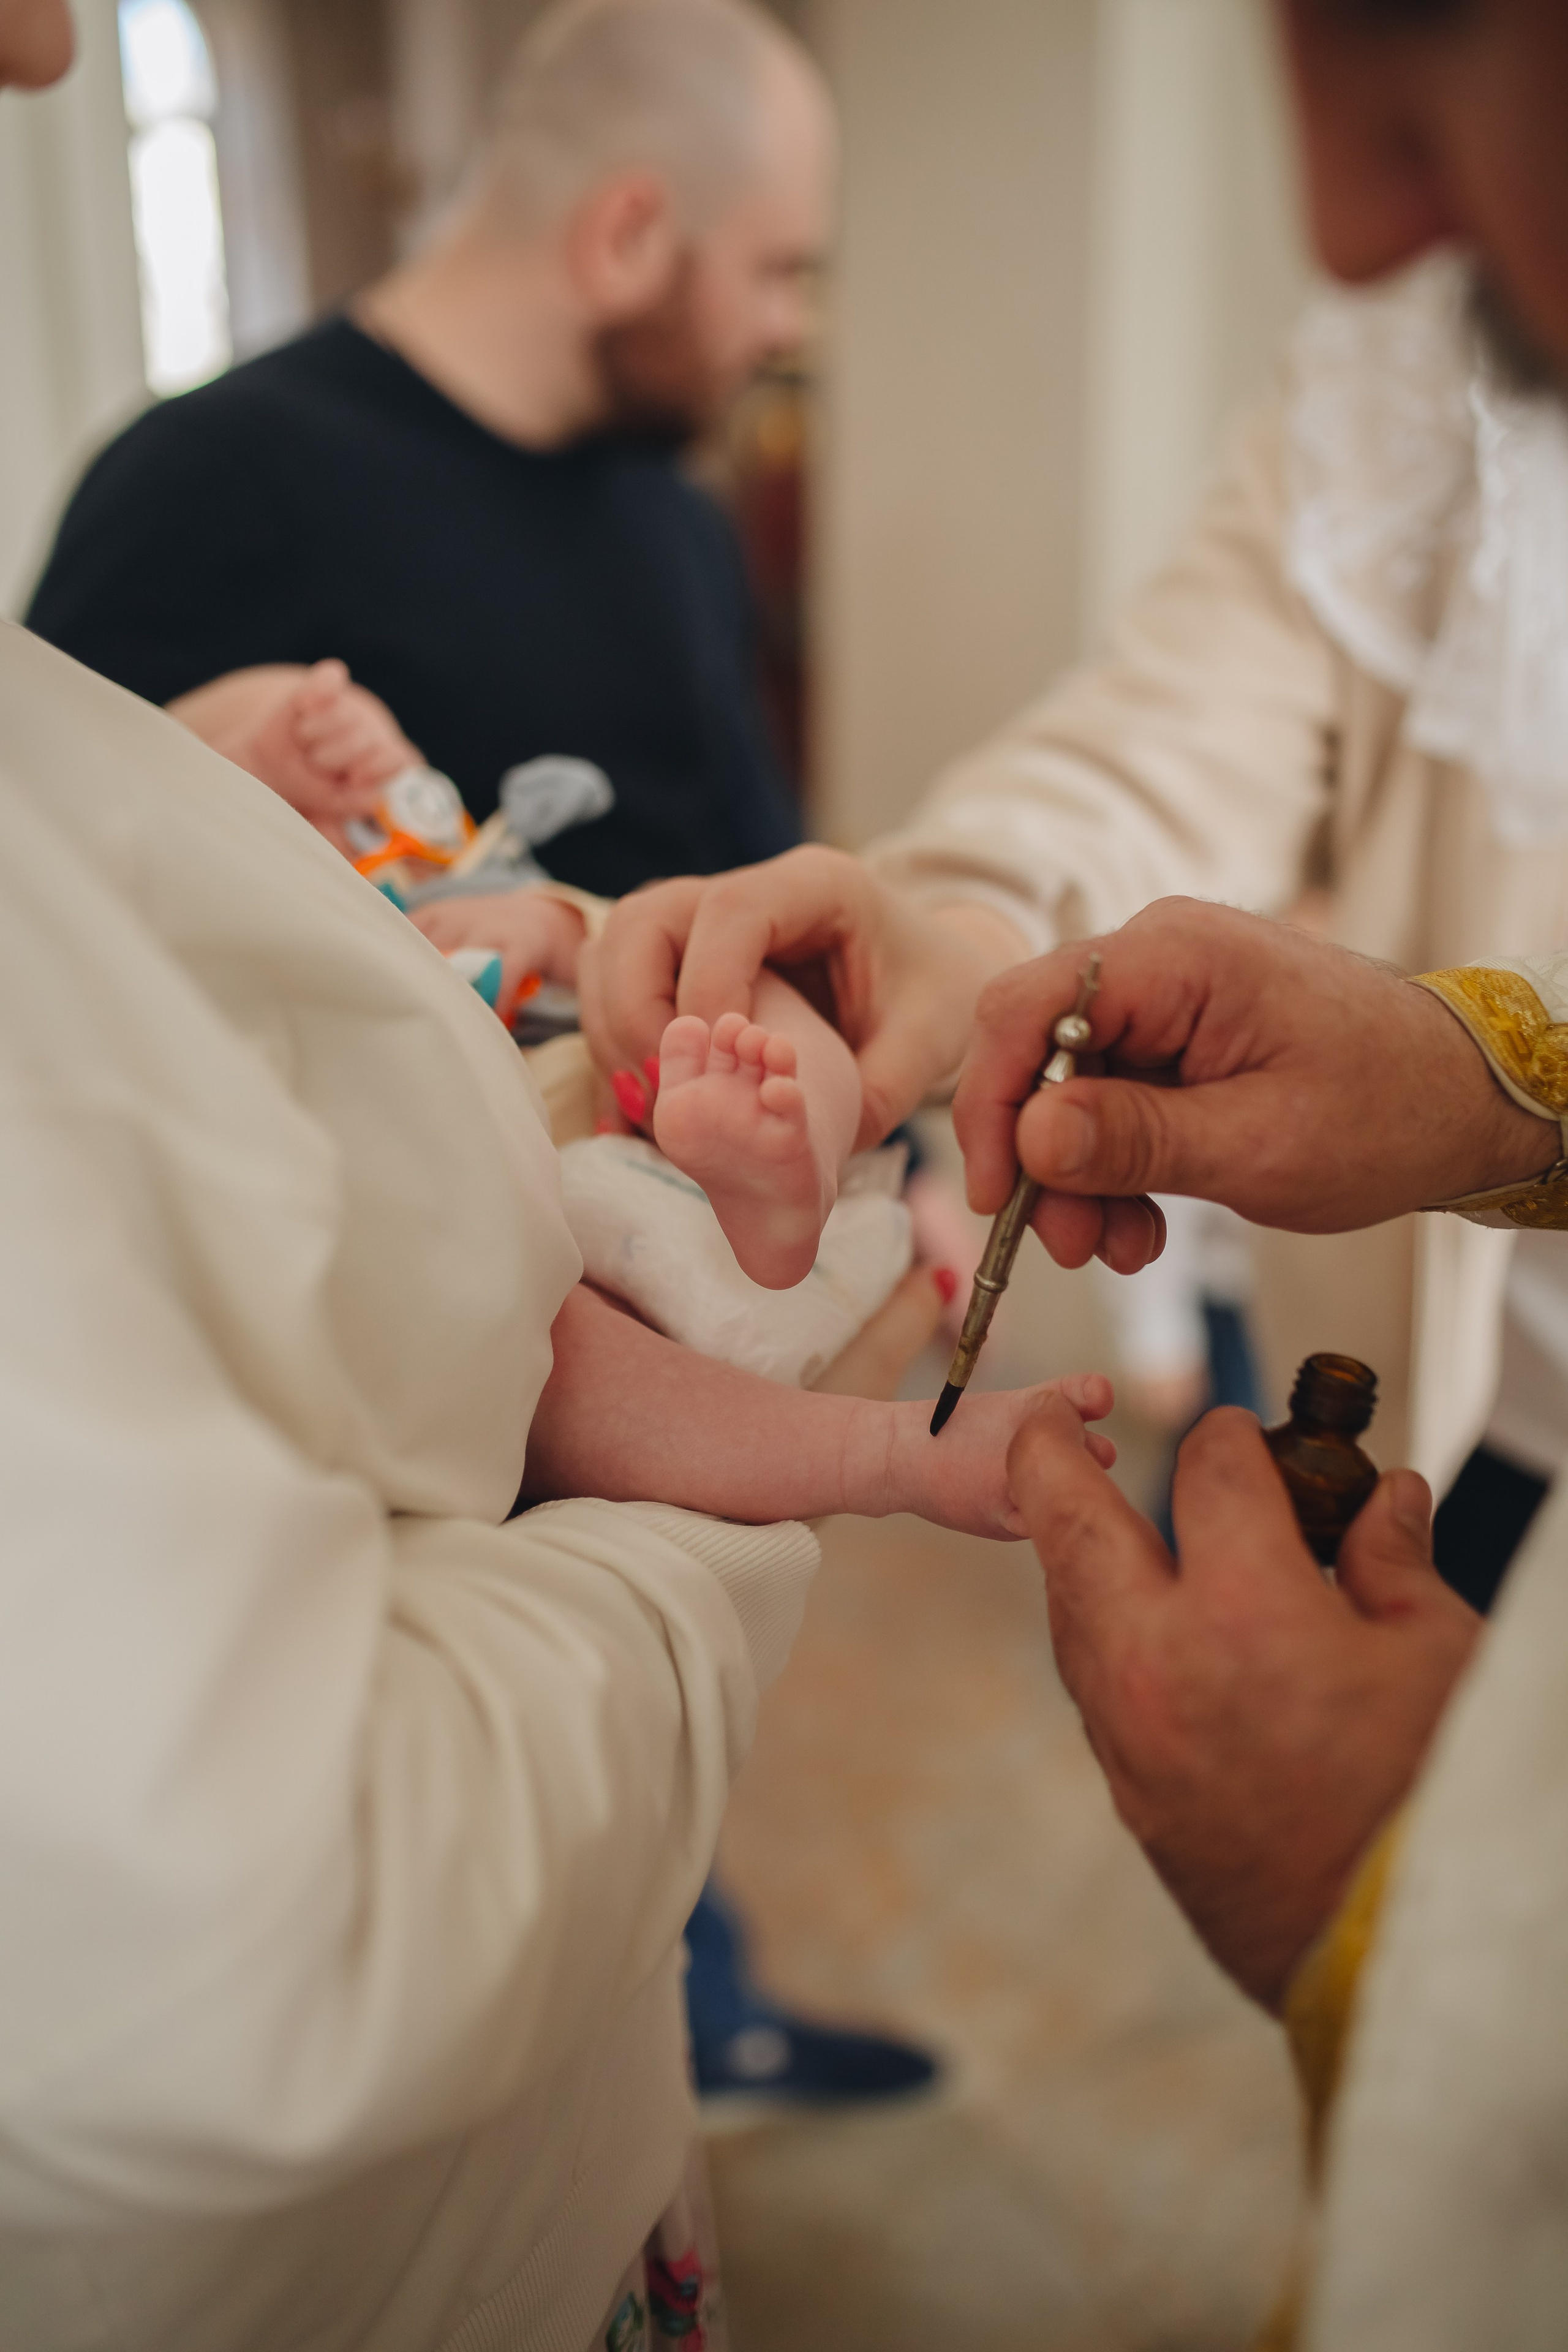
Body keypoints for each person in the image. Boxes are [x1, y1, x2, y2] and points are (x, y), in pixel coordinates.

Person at [589, 0, 1568, 2335]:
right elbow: (1194, 708)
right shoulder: (1434, 366)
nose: (1343, 218)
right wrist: (1483, 1082)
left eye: (1444, 34)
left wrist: (1433, 1952)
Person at [30, 0, 949, 2116]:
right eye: (778, 270)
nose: (790, 328)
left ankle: (695, 1991)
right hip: (425, 1423)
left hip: (688, 1243)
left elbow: (737, 868)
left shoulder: (670, 514)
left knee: (631, 1899)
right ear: (633, 231)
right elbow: (93, 979)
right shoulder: (206, 488)